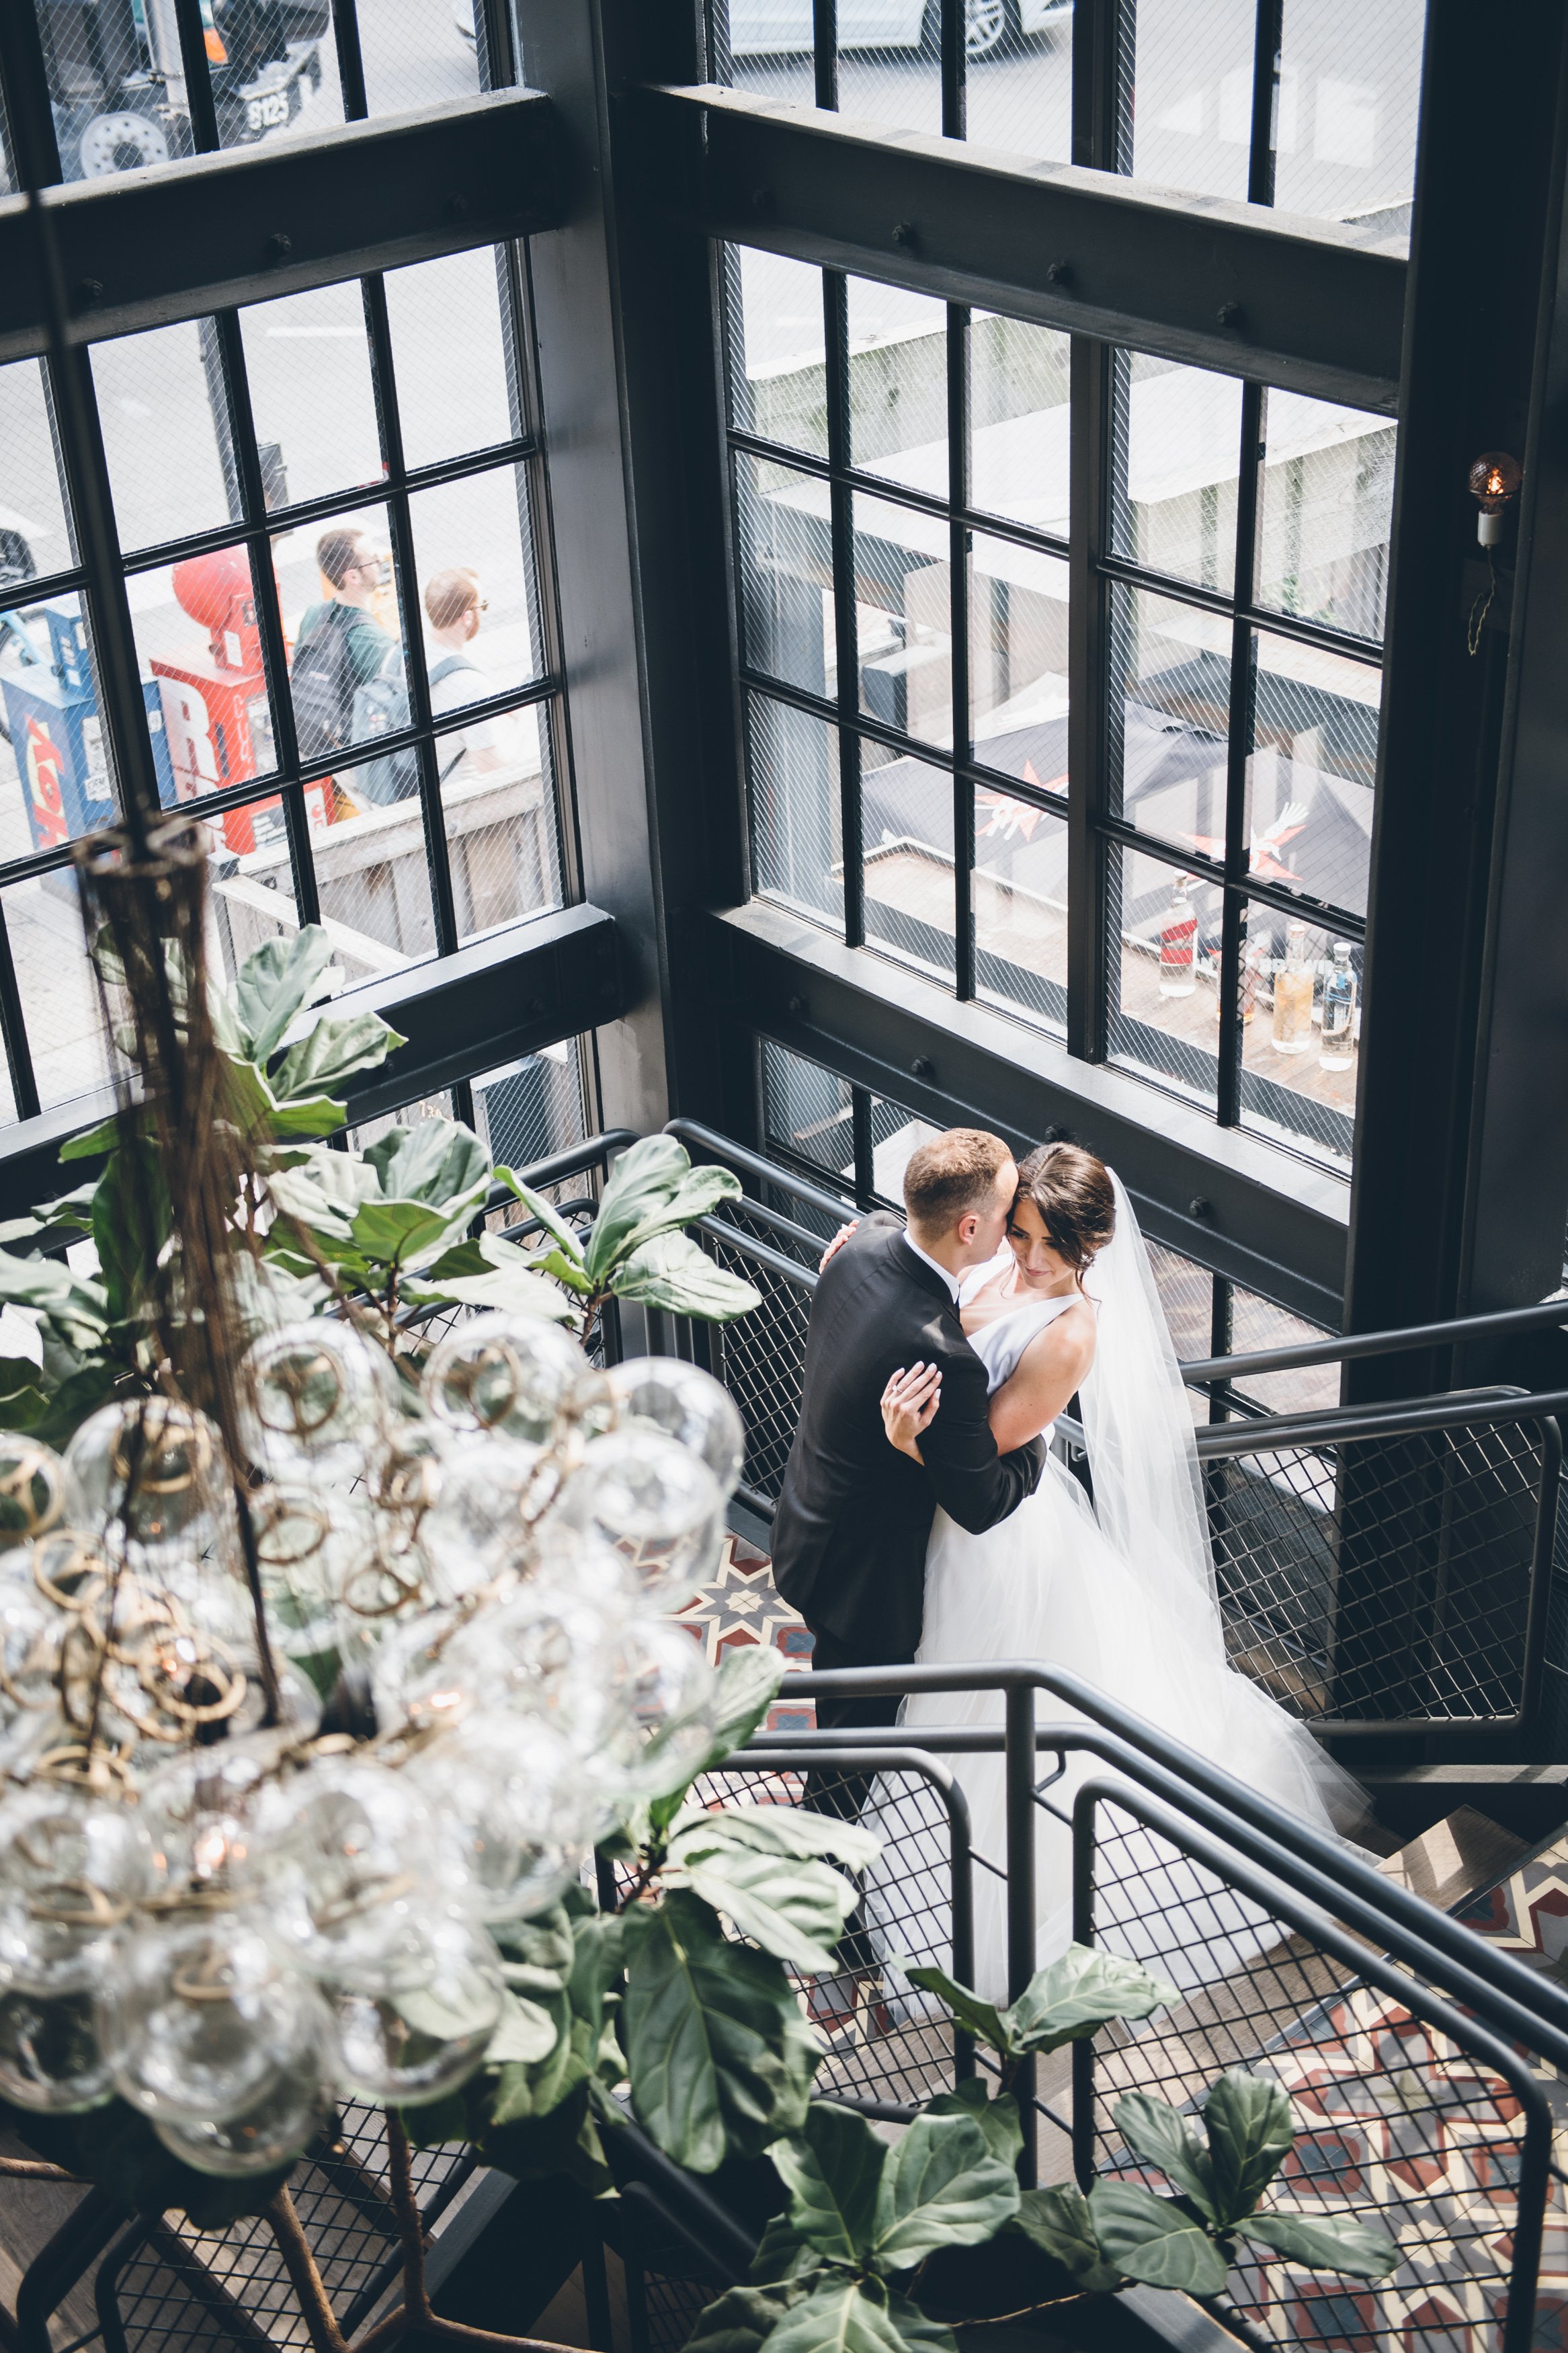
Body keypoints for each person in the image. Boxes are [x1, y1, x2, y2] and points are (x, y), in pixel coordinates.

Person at [862, 1142, 1366, 2001]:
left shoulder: (1069, 1334)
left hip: (998, 1539)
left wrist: (907, 1440)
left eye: (1041, 1246)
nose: (1021, 1255)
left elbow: (982, 1449)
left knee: (985, 1705)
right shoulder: (998, 1261)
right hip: (945, 1525)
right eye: (1017, 1231)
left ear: (1085, 1249)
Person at [770, 1129, 1047, 2020]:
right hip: (866, 1580)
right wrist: (1035, 1439)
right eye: (1006, 1216)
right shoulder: (941, 1359)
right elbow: (982, 1501)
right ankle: (833, 1932)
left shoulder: (860, 1249)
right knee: (849, 1755)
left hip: (808, 1525)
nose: (1013, 1231)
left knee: (834, 1720)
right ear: (968, 1226)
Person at [290, 528, 397, 761]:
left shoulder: (314, 614)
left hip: (311, 737)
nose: (380, 559)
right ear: (353, 577)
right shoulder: (373, 641)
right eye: (373, 559)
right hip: (353, 752)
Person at [422, 568, 507, 778]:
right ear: (468, 617)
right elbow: (494, 773)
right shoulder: (470, 686)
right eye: (483, 606)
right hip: (459, 802)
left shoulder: (401, 653)